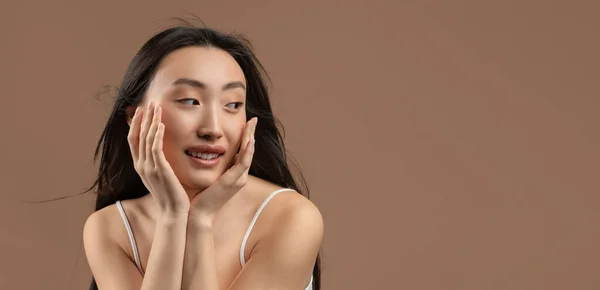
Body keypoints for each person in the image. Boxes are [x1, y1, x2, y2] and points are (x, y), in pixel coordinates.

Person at [82, 23, 323, 290]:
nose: (213, 129)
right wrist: (173, 216)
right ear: (134, 117)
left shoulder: (289, 218)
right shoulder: (110, 229)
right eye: (189, 101)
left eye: (232, 105)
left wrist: (199, 221)